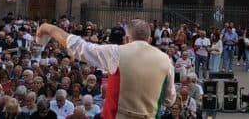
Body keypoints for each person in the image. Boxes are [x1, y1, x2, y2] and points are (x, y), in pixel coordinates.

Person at [37, 19, 175, 119]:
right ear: (150, 40)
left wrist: (49, 28)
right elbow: (169, 100)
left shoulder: (115, 52)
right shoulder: (166, 61)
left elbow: (79, 47)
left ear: (126, 39)